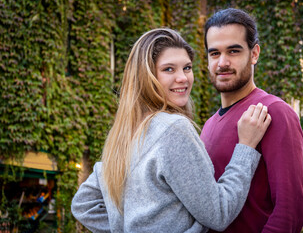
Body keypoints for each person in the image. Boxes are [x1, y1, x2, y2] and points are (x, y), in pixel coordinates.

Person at [71, 28, 271, 233]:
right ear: (146, 77)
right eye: (169, 69)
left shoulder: (125, 135)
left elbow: (83, 205)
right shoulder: (173, 129)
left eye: (187, 68)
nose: (183, 78)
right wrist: (245, 146)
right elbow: (219, 214)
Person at [200, 8, 303, 232]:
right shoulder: (208, 125)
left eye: (234, 51)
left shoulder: (274, 112)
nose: (222, 63)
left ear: (254, 53)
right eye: (215, 53)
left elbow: (290, 212)